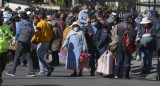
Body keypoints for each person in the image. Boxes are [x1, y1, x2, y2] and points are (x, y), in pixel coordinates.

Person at [6, 12, 35, 77]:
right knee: (29, 57)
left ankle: (12, 71)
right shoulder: (30, 23)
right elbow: (33, 33)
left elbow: (18, 32)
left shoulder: (20, 23)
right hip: (28, 42)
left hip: (21, 42)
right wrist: (29, 39)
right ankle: (31, 72)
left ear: (21, 17)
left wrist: (16, 39)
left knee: (16, 57)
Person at [114, 13, 136, 79]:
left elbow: (117, 34)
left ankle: (116, 74)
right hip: (127, 44)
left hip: (120, 43)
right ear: (129, 19)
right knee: (127, 59)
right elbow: (132, 35)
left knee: (119, 59)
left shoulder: (119, 25)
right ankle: (126, 75)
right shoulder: (130, 26)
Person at [0, 13, 13, 85]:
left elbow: (10, 35)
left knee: (3, 67)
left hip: (4, 51)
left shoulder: (6, 26)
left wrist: (9, 36)